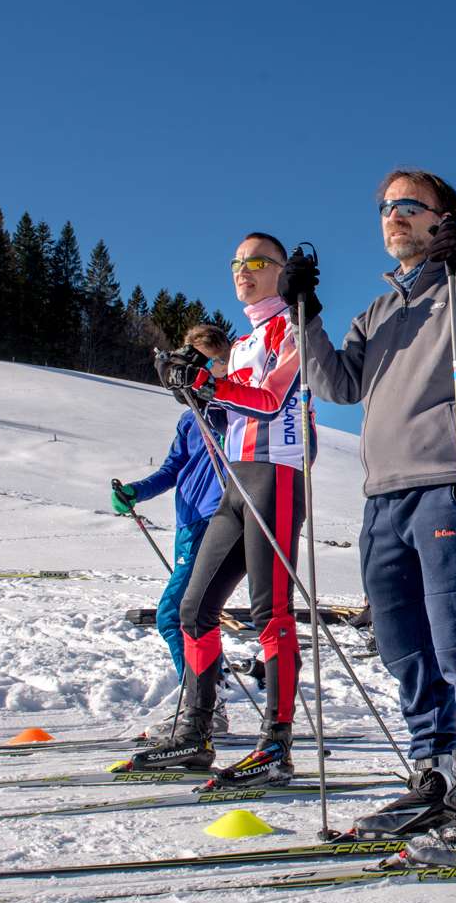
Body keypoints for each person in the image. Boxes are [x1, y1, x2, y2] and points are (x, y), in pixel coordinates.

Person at [289, 168, 456, 865]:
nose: (394, 216)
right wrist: (305, 315)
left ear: (445, 217)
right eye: (386, 207)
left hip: (453, 482)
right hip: (384, 496)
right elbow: (337, 386)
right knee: (403, 644)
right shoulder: (376, 313)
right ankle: (433, 775)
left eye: (410, 205)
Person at [117, 233, 312, 786]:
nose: (242, 270)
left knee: (269, 613)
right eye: (236, 262)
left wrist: (210, 382)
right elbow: (229, 403)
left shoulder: (293, 328)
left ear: (280, 270)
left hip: (277, 474)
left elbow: (273, 400)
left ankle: (276, 744)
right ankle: (196, 731)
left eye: (255, 261)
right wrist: (195, 391)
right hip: (237, 480)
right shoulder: (248, 340)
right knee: (193, 609)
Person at [110, 324, 234, 737]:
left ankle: (202, 705)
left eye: (207, 362)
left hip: (217, 520)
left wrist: (213, 397)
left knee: (175, 613)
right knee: (191, 615)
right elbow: (172, 469)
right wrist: (135, 491)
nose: (197, 372)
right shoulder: (188, 419)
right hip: (188, 523)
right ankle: (205, 700)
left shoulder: (230, 409)